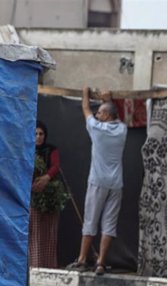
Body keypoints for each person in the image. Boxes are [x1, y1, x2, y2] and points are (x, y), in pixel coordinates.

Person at [66, 87, 127, 275]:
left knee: (91, 221)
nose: (97, 115)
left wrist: (86, 92)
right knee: (109, 224)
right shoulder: (122, 130)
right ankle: (100, 262)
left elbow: (85, 108)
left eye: (100, 112)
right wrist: (107, 100)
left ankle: (83, 259)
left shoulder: (97, 129)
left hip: (98, 181)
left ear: (107, 115)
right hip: (116, 183)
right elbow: (112, 114)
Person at [29, 120, 66, 268]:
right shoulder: (27, 150)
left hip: (49, 198)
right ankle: (34, 264)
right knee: (34, 232)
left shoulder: (51, 149)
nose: (38, 137)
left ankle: (48, 266)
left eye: (41, 134)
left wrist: (46, 178)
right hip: (33, 197)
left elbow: (55, 166)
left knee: (48, 233)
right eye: (36, 134)